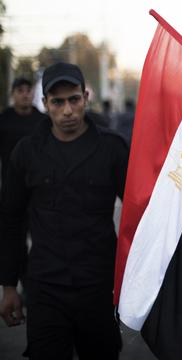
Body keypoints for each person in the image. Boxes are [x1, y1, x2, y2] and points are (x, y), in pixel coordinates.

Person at [0, 62, 129, 360]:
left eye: (74, 99)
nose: (68, 110)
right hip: (45, 286)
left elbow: (139, 215)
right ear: (45, 104)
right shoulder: (27, 152)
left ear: (85, 97)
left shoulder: (112, 149)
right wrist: (8, 286)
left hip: (99, 285)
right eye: (58, 102)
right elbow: (11, 220)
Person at [0, 78, 47, 185]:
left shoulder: (43, 121)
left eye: (28, 91)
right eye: (20, 91)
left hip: (38, 180)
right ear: (12, 94)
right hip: (10, 180)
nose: (25, 95)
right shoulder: (4, 119)